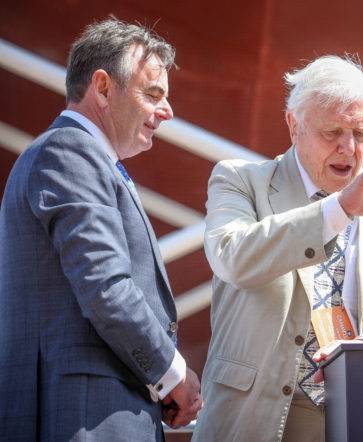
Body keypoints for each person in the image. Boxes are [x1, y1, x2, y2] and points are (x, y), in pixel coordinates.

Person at [192, 55, 363, 442]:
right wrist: (339, 210)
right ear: (294, 126)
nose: (349, 147)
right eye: (333, 132)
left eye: (361, 132)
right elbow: (235, 257)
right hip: (256, 417)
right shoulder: (241, 180)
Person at [0, 19, 202, 441]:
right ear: (104, 88)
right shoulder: (70, 151)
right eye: (153, 94)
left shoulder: (77, 156)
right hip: (82, 418)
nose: (167, 111)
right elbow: (106, 286)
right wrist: (172, 373)